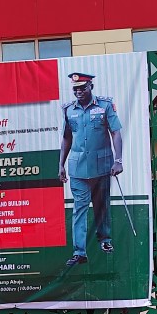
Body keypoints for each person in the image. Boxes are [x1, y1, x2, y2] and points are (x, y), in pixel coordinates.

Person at [58, 72, 123, 267]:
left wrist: (118, 160)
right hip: (78, 169)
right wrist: (61, 164)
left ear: (90, 87)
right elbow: (66, 138)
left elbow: (116, 132)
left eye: (82, 88)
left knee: (102, 205)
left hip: (101, 167)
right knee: (79, 209)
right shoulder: (69, 110)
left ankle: (105, 239)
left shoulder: (104, 106)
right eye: (75, 89)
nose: (79, 91)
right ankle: (79, 252)